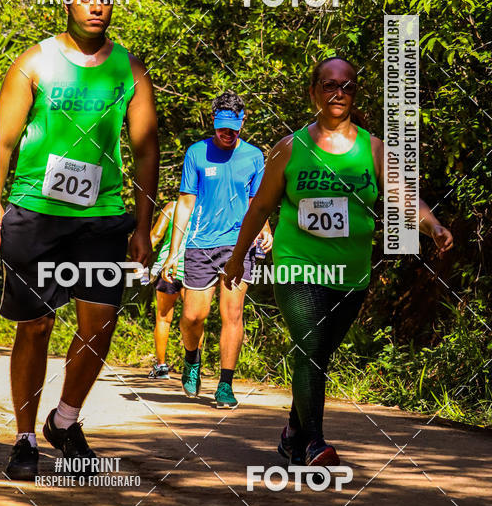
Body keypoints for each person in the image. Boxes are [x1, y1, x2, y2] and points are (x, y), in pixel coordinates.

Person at [223, 56, 453, 466]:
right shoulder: (290, 148)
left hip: (351, 274)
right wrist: (237, 258)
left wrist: (433, 226)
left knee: (320, 352)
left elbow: (403, 197)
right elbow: (259, 209)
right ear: (314, 92)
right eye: (329, 85)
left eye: (346, 86)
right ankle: (314, 443)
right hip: (298, 266)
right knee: (310, 348)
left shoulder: (373, 149)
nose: (338, 93)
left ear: (354, 94)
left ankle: (293, 432)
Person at [0, 0, 159, 481]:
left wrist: (142, 225)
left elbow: (146, 150)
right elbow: (2, 144)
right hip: (36, 211)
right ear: (68, 1)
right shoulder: (34, 63)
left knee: (99, 325)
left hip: (101, 216)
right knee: (35, 326)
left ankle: (65, 419)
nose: (97, 6)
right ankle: (25, 436)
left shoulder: (129, 69)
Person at [162, 91, 272, 409]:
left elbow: (257, 202)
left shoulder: (253, 156)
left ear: (242, 121)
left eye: (233, 127)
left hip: (239, 243)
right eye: (222, 127)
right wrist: (173, 251)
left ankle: (225, 383)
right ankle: (192, 358)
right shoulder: (197, 153)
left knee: (232, 315)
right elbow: (185, 203)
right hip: (200, 244)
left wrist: (266, 228)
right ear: (214, 121)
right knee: (194, 316)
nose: (227, 133)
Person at [147, 201, 191, 379]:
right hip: (195, 268)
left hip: (167, 267)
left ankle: (161, 366)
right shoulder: (206, 208)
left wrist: (140, 260)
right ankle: (193, 366)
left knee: (163, 318)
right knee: (194, 320)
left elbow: (156, 235)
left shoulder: (172, 207)